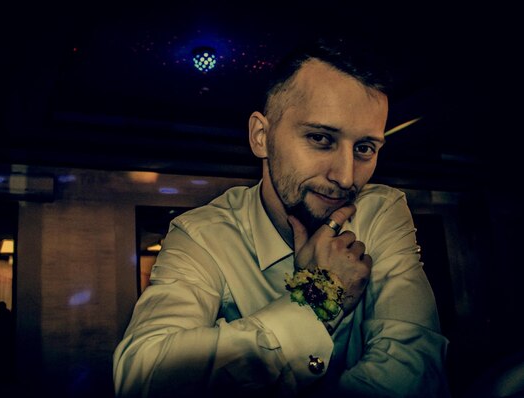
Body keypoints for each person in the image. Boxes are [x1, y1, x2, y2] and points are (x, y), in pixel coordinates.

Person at [113, 36, 450, 397]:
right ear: (262, 136)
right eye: (321, 138)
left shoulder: (380, 209)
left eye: (365, 148)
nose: (346, 177)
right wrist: (318, 299)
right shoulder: (202, 235)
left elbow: (412, 366)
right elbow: (142, 379)